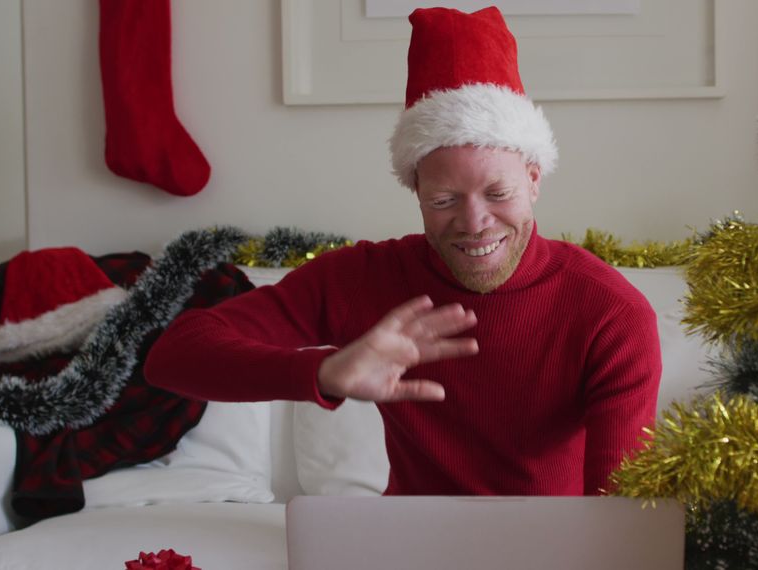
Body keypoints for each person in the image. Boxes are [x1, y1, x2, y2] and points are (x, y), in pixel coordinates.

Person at [144, 5, 661, 495]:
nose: (475, 223)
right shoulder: (366, 278)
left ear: (533, 179)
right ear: (415, 190)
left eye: (498, 193)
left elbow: (618, 512)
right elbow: (174, 356)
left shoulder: (609, 313)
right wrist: (323, 373)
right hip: (407, 548)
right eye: (443, 199)